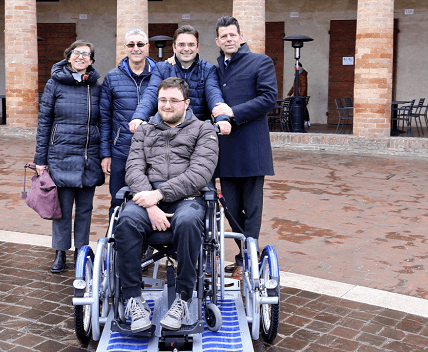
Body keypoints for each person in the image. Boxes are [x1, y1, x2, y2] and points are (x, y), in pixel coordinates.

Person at [115, 77, 219, 332]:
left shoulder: (204, 130)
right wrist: (151, 204)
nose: (167, 105)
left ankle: (183, 298)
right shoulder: (144, 130)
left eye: (174, 101)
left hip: (188, 196)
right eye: (163, 100)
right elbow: (133, 169)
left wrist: (159, 195)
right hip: (146, 196)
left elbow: (200, 173)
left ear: (186, 103)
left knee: (186, 221)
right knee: (126, 221)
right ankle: (132, 298)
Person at [212, 16, 278, 280]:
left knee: (251, 208)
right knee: (230, 207)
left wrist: (233, 112)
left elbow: (268, 98)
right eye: (223, 36)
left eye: (232, 35)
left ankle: (247, 260)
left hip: (252, 147)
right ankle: (245, 254)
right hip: (225, 149)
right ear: (217, 41)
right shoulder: (215, 68)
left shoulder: (260, 61)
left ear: (240, 37)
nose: (228, 39)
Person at [34, 40, 104, 273]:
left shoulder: (96, 86)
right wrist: (40, 160)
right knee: (61, 209)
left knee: (85, 209)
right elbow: (44, 123)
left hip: (88, 156)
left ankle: (81, 253)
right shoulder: (55, 84)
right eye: (77, 53)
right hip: (61, 155)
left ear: (91, 61)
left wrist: (104, 155)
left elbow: (103, 123)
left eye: (86, 54)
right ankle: (60, 252)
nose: (81, 57)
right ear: (68, 57)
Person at [128, 25, 231, 135]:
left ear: (197, 47)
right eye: (181, 45)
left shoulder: (208, 69)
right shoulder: (162, 68)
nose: (186, 49)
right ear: (174, 47)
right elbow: (151, 93)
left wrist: (222, 119)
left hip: (198, 134)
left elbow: (214, 94)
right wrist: (139, 117)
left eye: (191, 44)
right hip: (167, 134)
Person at [100, 29, 156, 218]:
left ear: (147, 47)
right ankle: (115, 242)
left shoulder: (159, 75)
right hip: (121, 151)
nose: (136, 48)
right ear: (125, 48)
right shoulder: (112, 77)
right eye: (131, 45)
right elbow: (105, 118)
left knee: (151, 200)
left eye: (140, 44)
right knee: (118, 201)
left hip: (154, 152)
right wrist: (106, 153)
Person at [287, 62, 310, 127]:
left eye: (295, 67)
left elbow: (303, 86)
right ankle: (307, 120)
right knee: (303, 107)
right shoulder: (299, 74)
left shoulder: (301, 75)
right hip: (298, 95)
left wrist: (300, 96)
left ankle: (306, 121)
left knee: (301, 108)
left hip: (299, 95)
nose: (295, 68)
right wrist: (289, 94)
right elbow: (294, 86)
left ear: (299, 67)